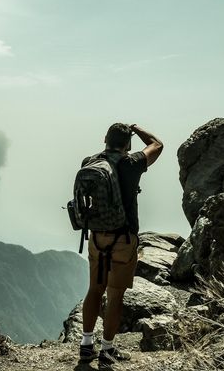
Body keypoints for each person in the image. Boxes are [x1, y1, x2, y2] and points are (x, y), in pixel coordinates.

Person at [78, 123, 163, 366]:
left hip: (96, 237)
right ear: (128, 145)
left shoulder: (89, 162)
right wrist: (136, 129)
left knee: (94, 289)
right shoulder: (131, 163)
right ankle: (106, 350)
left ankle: (86, 345)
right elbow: (157, 145)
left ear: (105, 138)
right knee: (115, 296)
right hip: (123, 240)